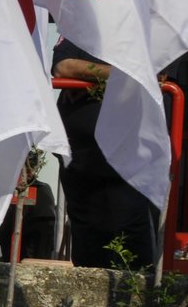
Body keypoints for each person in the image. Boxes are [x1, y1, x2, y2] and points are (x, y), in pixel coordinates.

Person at [52, 38, 159, 267]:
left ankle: (134, 298)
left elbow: (151, 75)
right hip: (80, 152)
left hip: (127, 151)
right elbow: (63, 66)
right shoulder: (86, 21)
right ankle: (87, 292)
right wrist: (116, 76)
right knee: (87, 229)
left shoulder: (148, 27)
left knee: (130, 228)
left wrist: (87, 78)